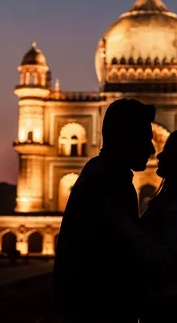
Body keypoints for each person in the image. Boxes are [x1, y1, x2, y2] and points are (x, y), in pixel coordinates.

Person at [53, 98, 156, 322]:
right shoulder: (109, 180)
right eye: (145, 139)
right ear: (124, 139)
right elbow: (127, 246)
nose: (152, 149)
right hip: (98, 307)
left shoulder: (101, 171)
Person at [109, 129, 177, 323]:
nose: (158, 154)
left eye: (168, 151)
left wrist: (125, 225)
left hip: (175, 306)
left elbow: (167, 259)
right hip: (168, 301)